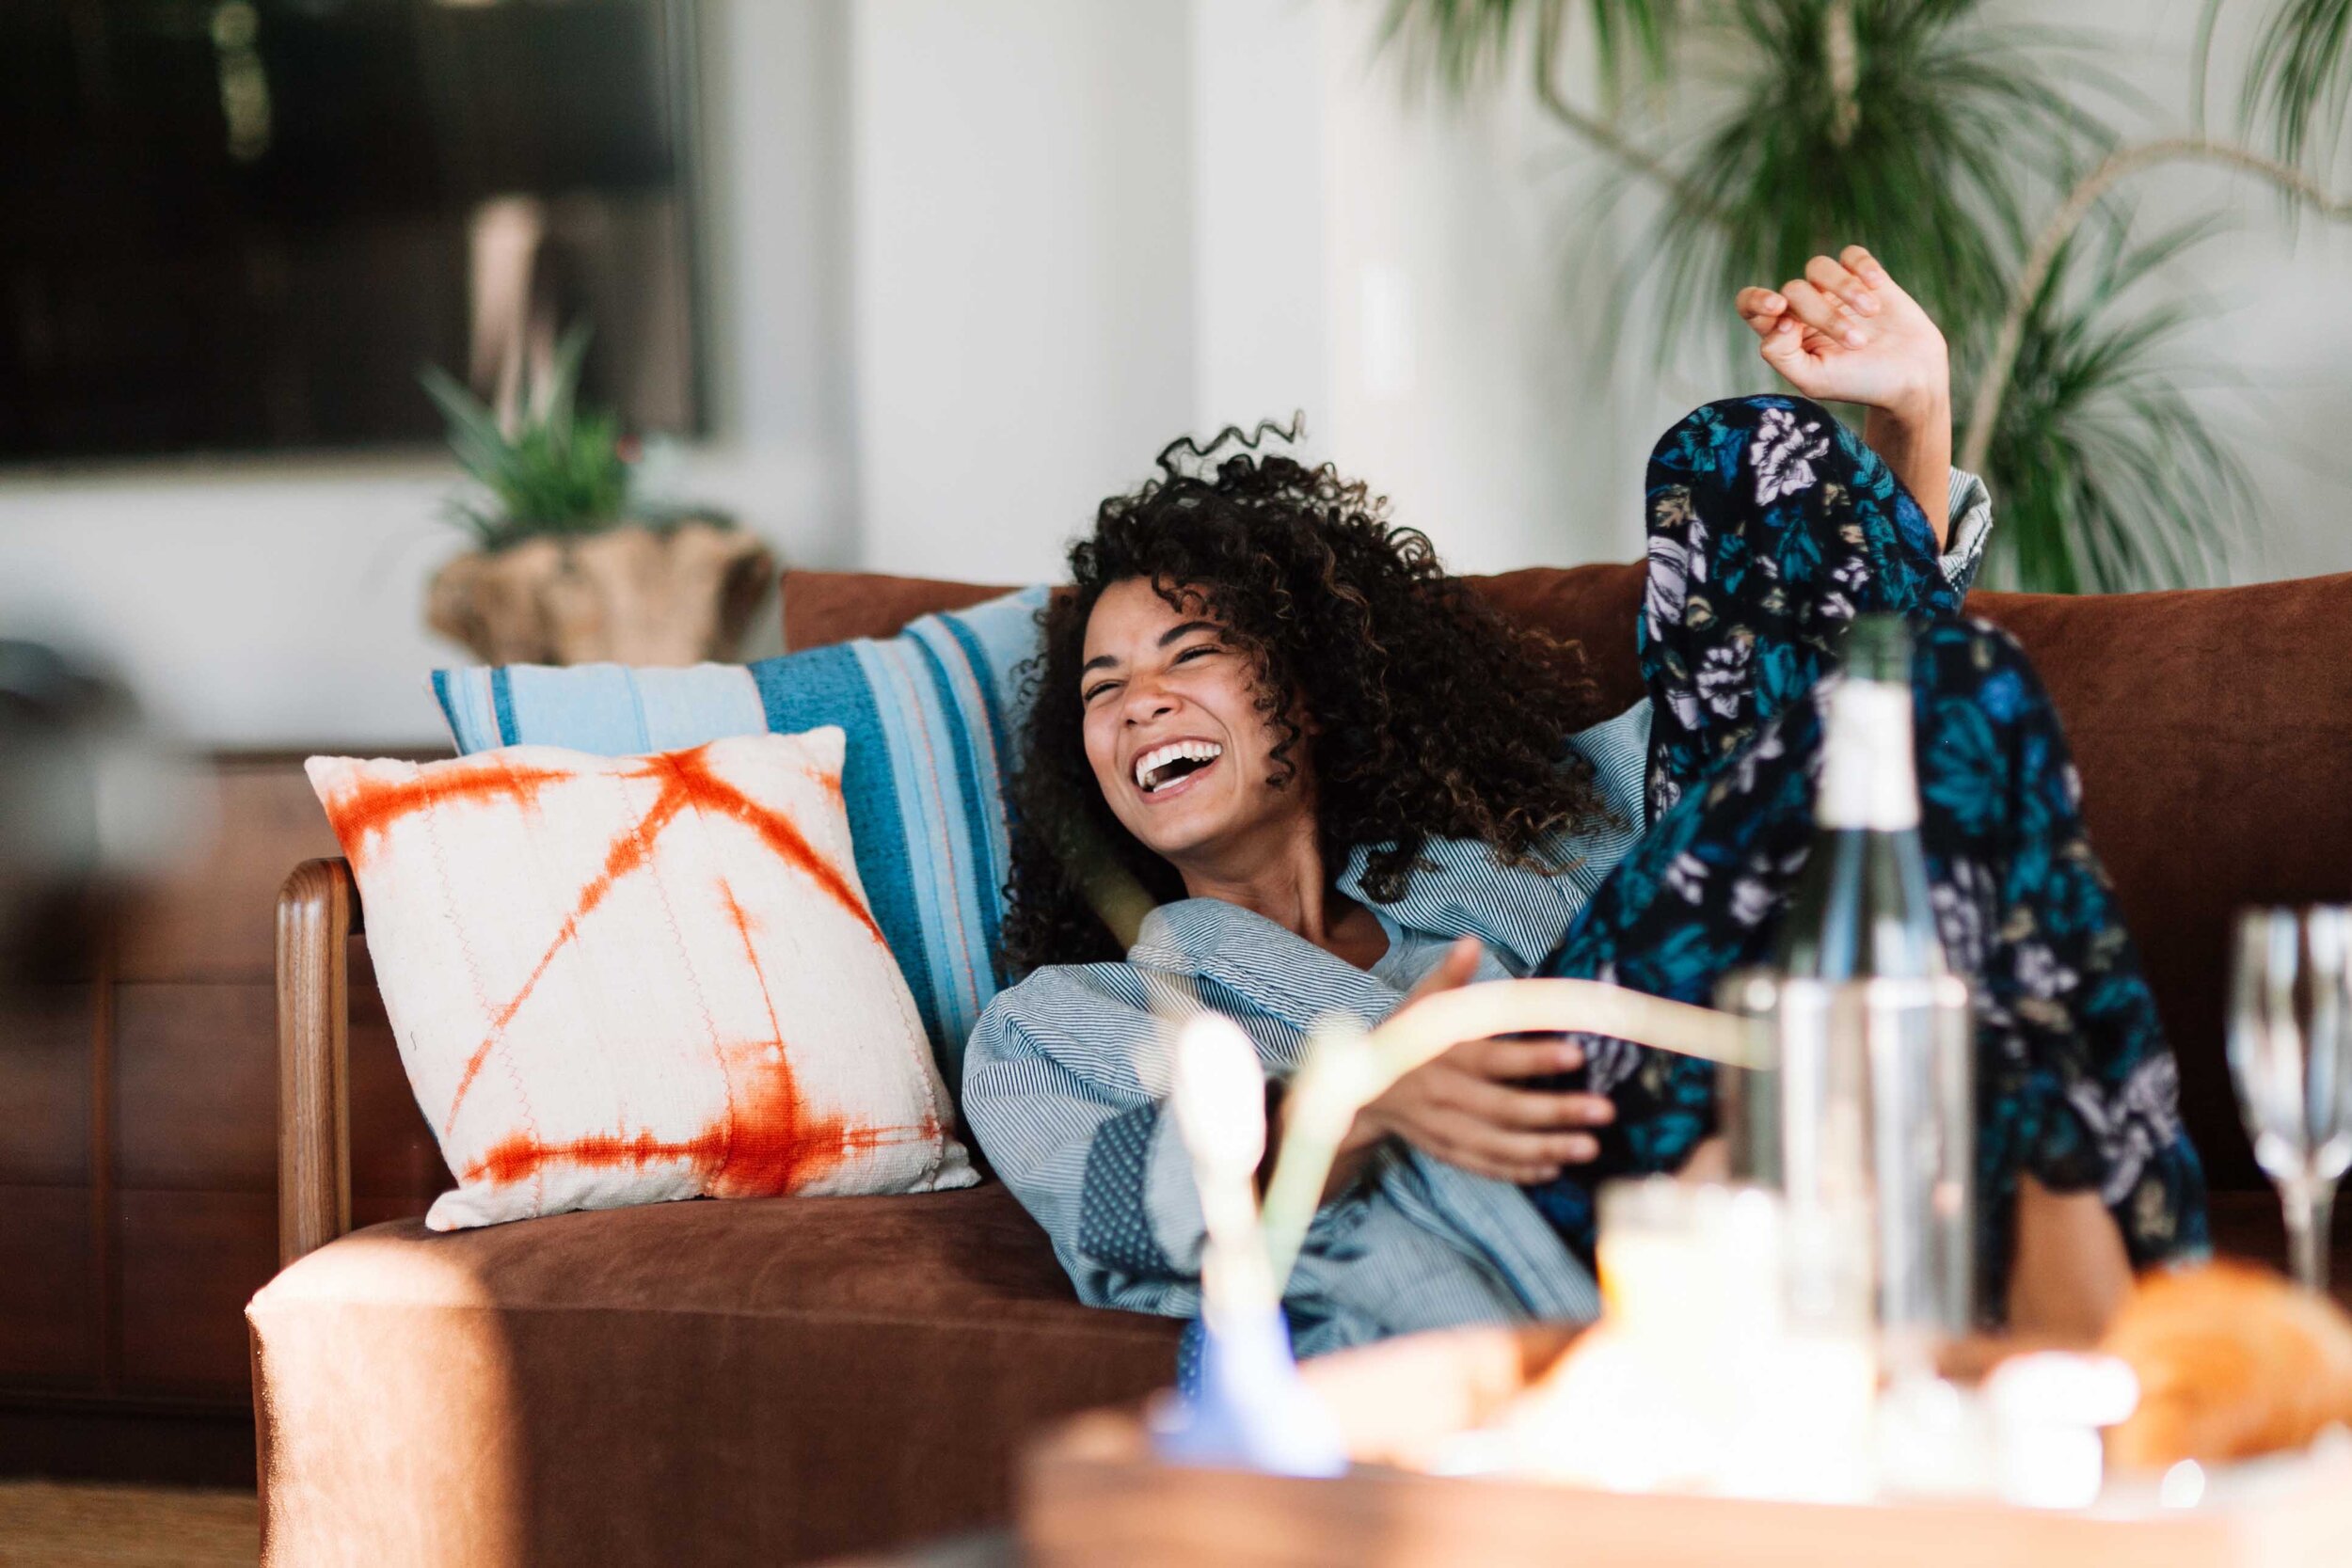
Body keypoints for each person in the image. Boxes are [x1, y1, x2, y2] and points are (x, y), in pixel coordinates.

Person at [962, 246, 2208, 1361]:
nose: (1138, 705)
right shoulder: (1062, 1017)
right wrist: (1366, 1094)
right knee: (1958, 685)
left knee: (1739, 455)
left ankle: (2049, 1276)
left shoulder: (1509, 839)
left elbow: (1813, 723)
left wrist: (1913, 423)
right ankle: (2113, 1280)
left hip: (1746, 1072)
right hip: (1532, 1230)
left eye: (1189, 657)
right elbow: (1115, 1206)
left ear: (1312, 690)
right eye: (1102, 687)